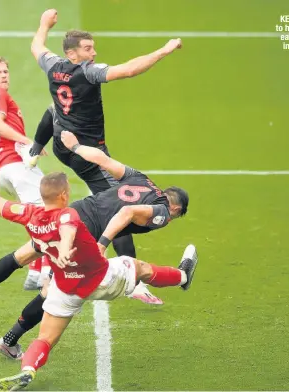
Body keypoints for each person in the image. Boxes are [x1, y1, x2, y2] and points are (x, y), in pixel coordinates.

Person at [0, 137, 197, 392]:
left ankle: (25, 367)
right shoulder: (71, 216)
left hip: (65, 286)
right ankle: (182, 276)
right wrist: (93, 244)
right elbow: (71, 228)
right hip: (99, 277)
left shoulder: (30, 213)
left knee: (45, 335)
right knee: (140, 268)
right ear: (63, 194)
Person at [27, 9, 183, 304]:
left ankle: (35, 150)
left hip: (64, 143)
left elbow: (37, 46)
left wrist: (44, 24)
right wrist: (164, 49)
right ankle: (133, 282)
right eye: (88, 48)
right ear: (73, 54)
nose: (94, 52)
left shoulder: (53, 66)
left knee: (53, 111)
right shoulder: (87, 72)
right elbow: (129, 70)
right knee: (121, 204)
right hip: (85, 152)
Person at [0, 56, 49, 290]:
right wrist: (31, 143)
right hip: (16, 166)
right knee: (50, 214)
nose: (4, 75)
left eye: (6, 71)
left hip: (4, 171)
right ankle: (45, 272)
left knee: (34, 215)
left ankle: (35, 272)